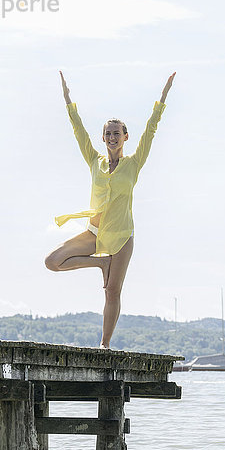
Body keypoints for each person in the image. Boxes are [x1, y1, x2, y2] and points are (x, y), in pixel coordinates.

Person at [45, 70, 176, 349]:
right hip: (94, 233)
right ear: (103, 137)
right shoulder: (95, 162)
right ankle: (99, 263)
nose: (112, 137)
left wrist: (162, 98)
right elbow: (78, 131)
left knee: (112, 291)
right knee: (52, 261)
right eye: (108, 133)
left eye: (117, 133)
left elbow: (152, 129)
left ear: (126, 137)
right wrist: (68, 100)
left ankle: (104, 345)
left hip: (122, 236)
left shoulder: (133, 163)